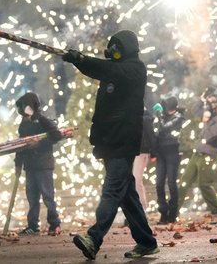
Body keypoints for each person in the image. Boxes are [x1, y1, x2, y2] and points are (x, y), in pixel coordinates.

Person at [62, 30, 159, 260]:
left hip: (124, 142)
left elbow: (107, 68)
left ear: (126, 48)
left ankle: (94, 238)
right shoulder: (114, 71)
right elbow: (99, 69)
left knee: (112, 189)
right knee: (126, 195)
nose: (112, 50)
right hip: (110, 141)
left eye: (116, 46)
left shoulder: (135, 69)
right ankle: (146, 242)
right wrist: (79, 62)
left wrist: (82, 59)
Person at [13, 91, 63, 236]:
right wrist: (18, 164)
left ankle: (55, 224)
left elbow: (56, 135)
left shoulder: (42, 120)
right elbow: (20, 146)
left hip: (43, 165)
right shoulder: (23, 125)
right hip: (30, 167)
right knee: (32, 197)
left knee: (48, 196)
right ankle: (32, 225)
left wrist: (39, 143)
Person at [177, 91, 217, 218]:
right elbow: (195, 110)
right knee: (184, 182)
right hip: (198, 153)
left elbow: (210, 136)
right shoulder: (210, 116)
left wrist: (206, 121)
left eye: (211, 103)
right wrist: (202, 99)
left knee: (204, 184)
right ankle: (173, 210)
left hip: (208, 154)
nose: (208, 106)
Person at [153, 96, 184, 224]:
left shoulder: (179, 117)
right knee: (159, 183)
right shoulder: (162, 116)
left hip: (172, 153)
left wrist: (159, 115)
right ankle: (163, 212)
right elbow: (156, 130)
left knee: (171, 182)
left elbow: (165, 127)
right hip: (161, 153)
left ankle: (172, 213)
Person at [132, 104, 157, 213]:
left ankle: (141, 208)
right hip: (131, 151)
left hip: (142, 151)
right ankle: (135, 209)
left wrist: (154, 153)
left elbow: (151, 135)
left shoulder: (145, 119)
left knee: (136, 180)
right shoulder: (133, 116)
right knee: (132, 180)